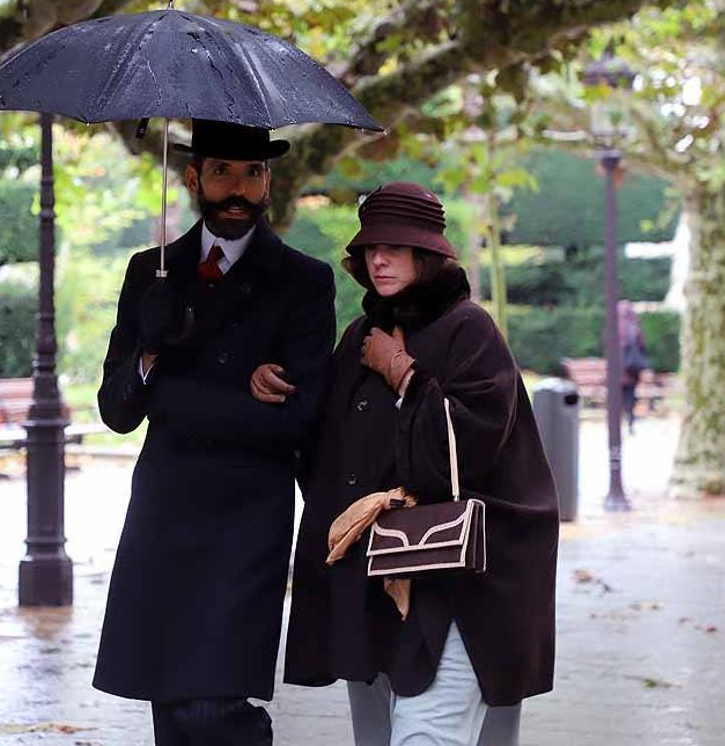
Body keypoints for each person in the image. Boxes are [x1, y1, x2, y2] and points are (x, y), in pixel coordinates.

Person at [257, 182, 558, 745]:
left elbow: (467, 451)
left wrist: (404, 372)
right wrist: (270, 384)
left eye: (395, 247)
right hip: (371, 585)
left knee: (428, 735)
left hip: (457, 593)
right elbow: (327, 453)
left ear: (428, 253)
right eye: (371, 248)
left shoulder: (470, 330)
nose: (379, 259)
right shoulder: (359, 337)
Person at [93, 119, 337, 745]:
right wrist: (150, 351)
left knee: (216, 708)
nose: (238, 189)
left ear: (268, 182)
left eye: (252, 174)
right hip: (163, 513)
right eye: (223, 172)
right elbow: (117, 411)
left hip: (246, 518)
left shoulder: (304, 281)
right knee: (173, 708)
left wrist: (175, 389)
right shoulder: (151, 274)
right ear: (194, 177)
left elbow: (299, 416)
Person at [619, 299, 650, 434]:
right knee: (630, 395)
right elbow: (642, 345)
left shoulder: (614, 326)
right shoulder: (634, 325)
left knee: (619, 396)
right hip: (632, 370)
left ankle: (618, 424)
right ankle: (630, 422)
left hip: (618, 371)